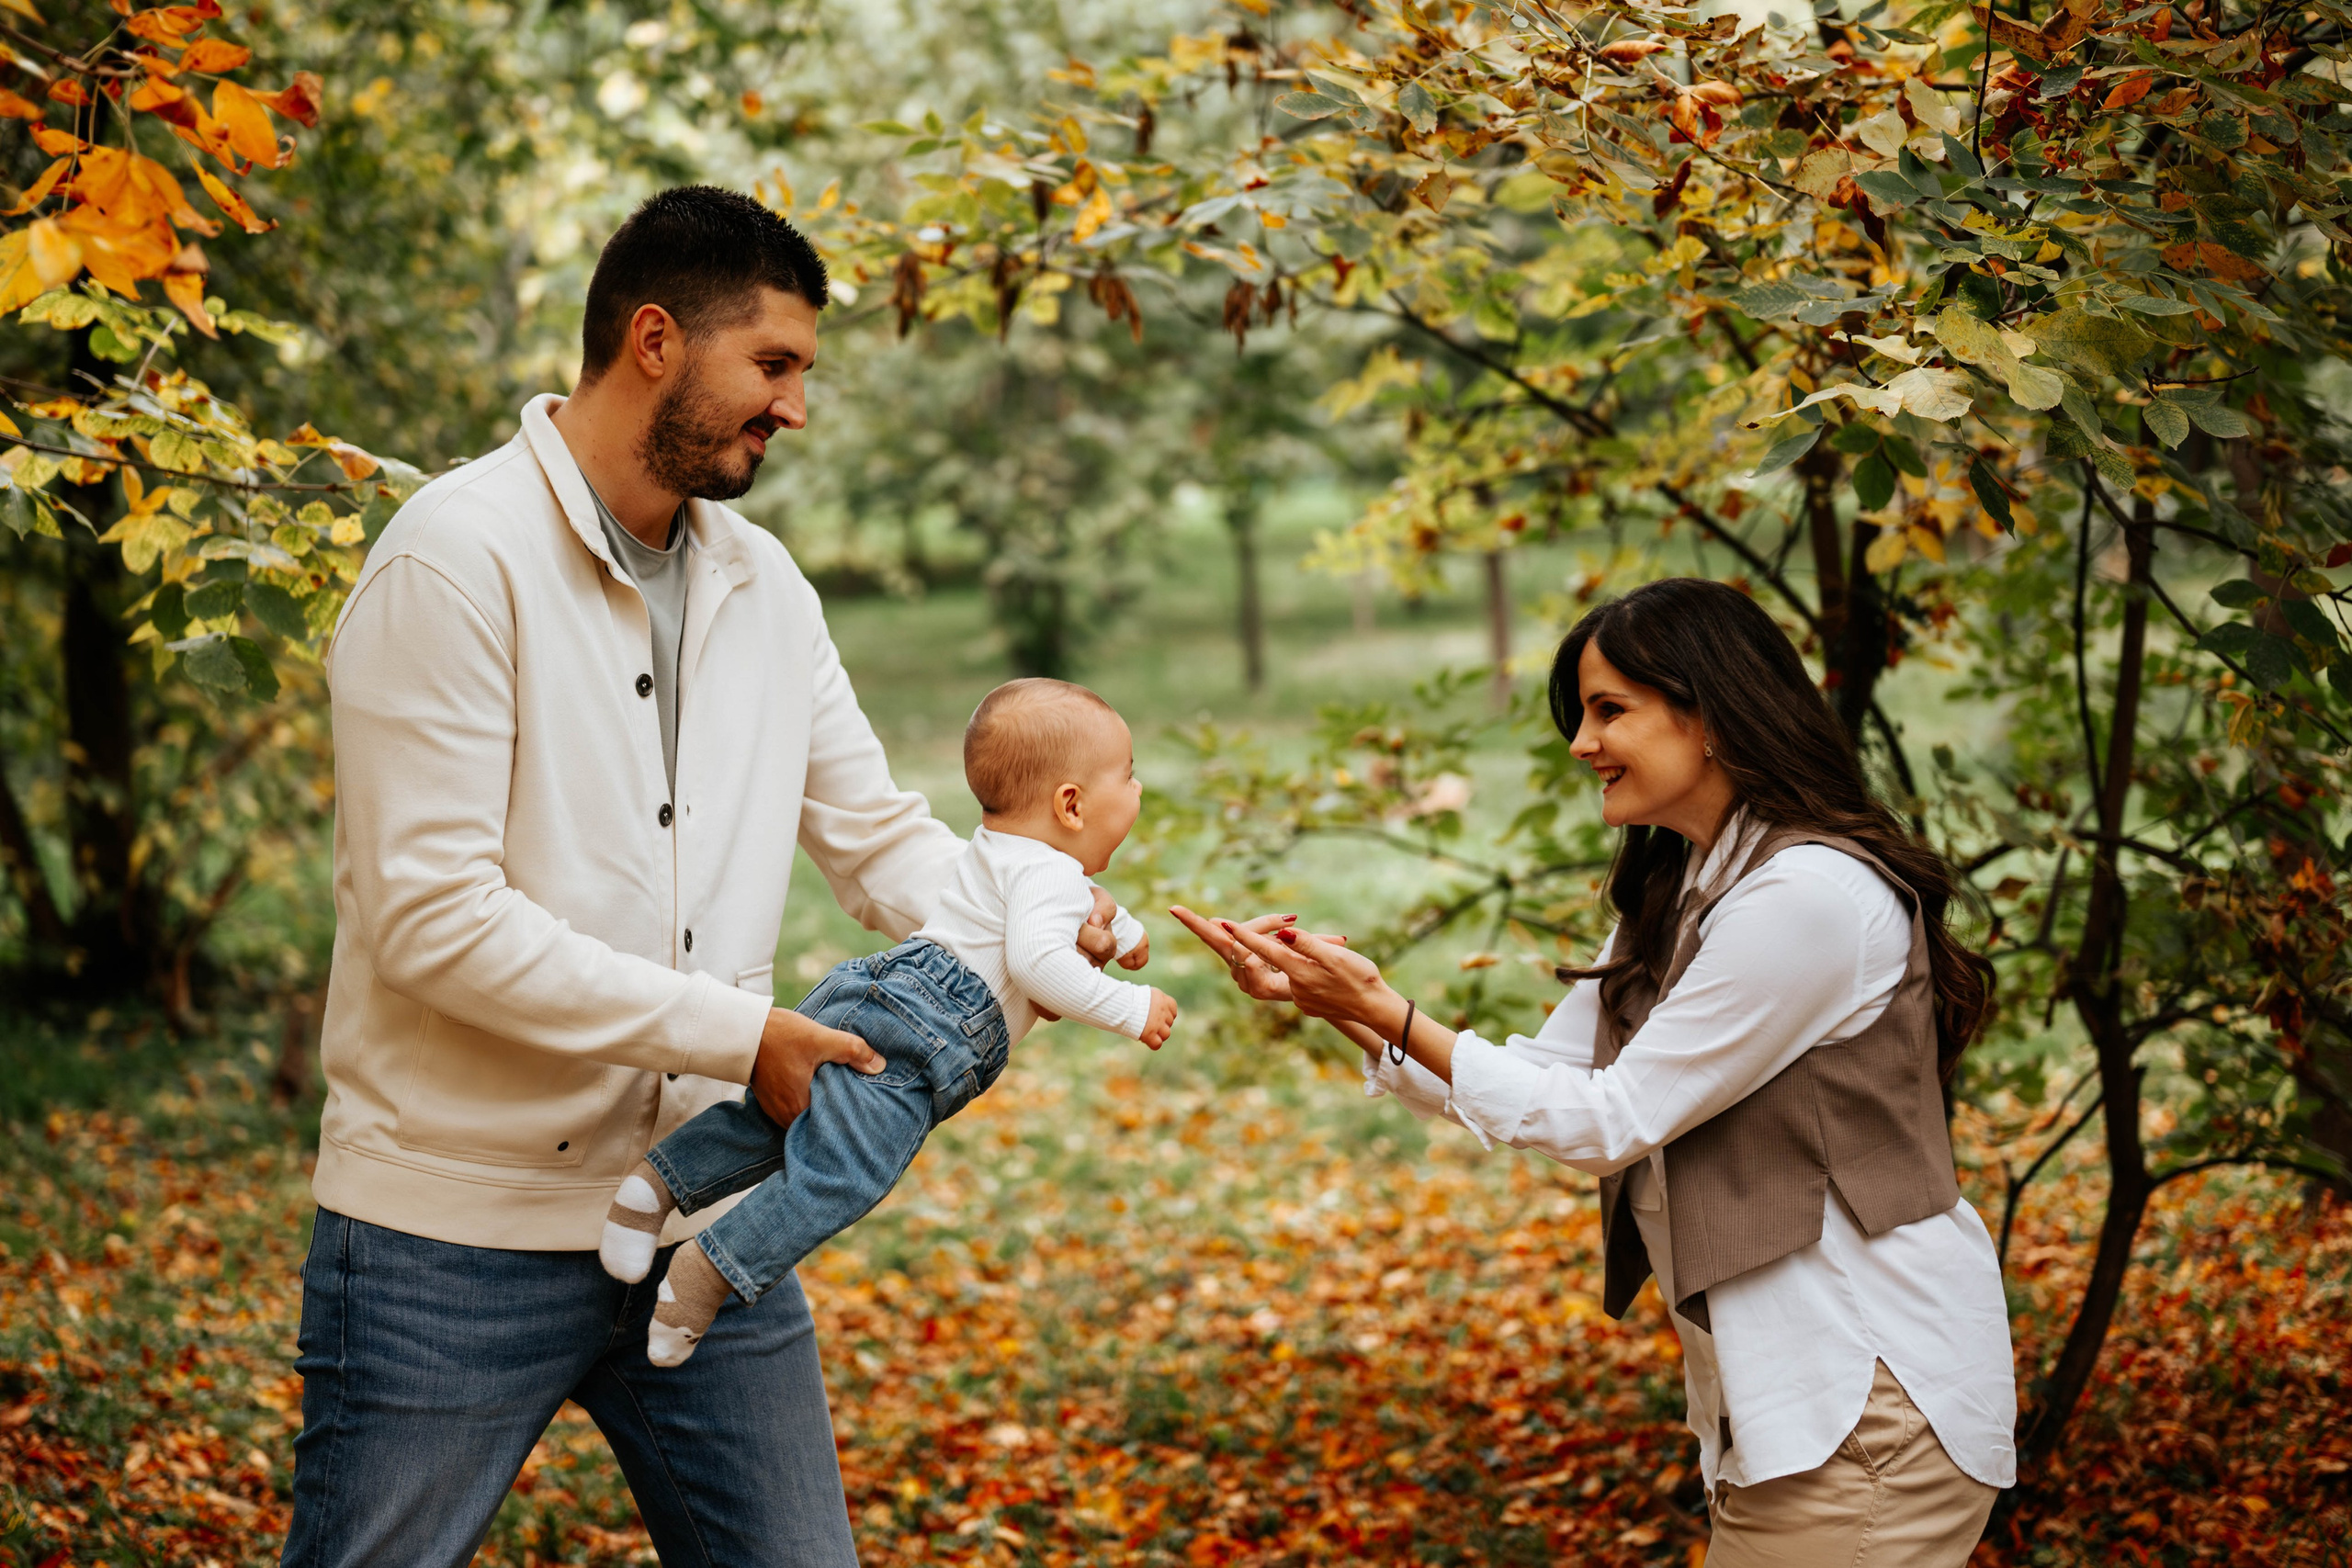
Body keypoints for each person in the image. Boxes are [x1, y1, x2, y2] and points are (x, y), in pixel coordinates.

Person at [289, 186, 1118, 1568]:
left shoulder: (765, 586)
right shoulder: (452, 558)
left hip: (708, 1228)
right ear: (658, 340)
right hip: (449, 1236)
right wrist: (749, 1037)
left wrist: (1024, 887)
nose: (796, 407)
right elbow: (435, 920)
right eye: (775, 366)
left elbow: (875, 833)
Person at [1175, 578, 2016, 1568]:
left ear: (1711, 717)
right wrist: (1344, 1008)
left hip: (1868, 1401)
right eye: (1581, 714)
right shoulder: (1687, 883)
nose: (1580, 744)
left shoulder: (1807, 896)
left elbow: (1610, 1119)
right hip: (1799, 1412)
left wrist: (1380, 1009)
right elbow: (1542, 1080)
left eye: (1609, 710)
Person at [602, 678, 1178, 1364]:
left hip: (879, 983)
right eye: (1130, 775)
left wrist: (1127, 932)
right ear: (1072, 803)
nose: (1138, 790)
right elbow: (1035, 963)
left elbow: (1068, 910)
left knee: (779, 1118)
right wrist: (1132, 1008)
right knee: (842, 1169)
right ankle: (709, 1270)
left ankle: (655, 1185)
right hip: (933, 1031)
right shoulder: (1049, 878)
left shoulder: (998, 849)